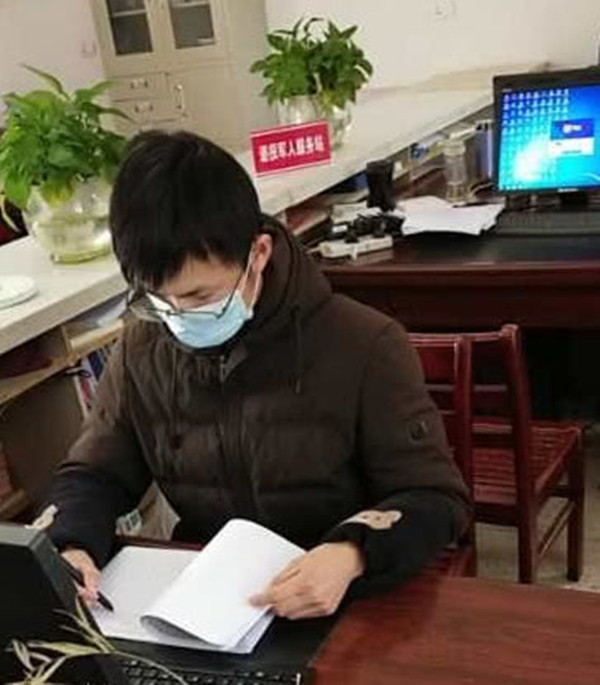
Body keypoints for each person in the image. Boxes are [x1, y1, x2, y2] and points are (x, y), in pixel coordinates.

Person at [41, 131, 468, 621]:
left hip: (341, 598)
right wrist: (72, 545)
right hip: (210, 597)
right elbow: (95, 473)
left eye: (200, 297)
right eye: (159, 300)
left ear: (258, 254)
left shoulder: (365, 345)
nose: (179, 318)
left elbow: (437, 499)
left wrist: (352, 553)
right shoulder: (144, 346)